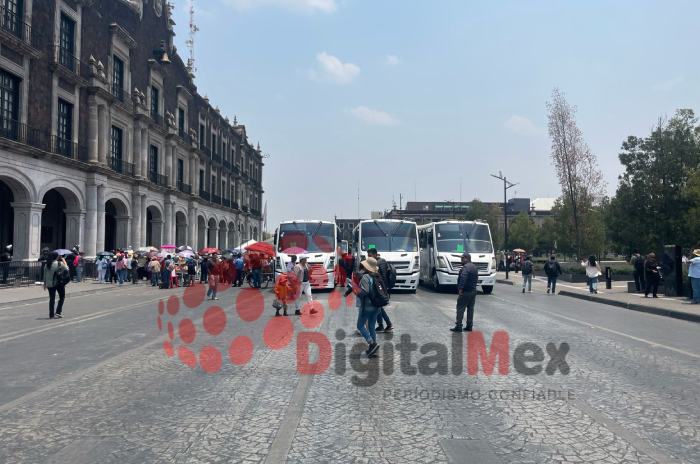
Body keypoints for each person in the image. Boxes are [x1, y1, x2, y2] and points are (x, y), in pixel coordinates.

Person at [354, 257, 381, 357]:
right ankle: (372, 349)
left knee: (360, 325)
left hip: (367, 306)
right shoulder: (377, 276)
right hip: (377, 306)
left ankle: (371, 343)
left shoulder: (366, 277)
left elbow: (364, 292)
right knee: (371, 326)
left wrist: (355, 289)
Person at [367, 248, 393, 333]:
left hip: (380, 289)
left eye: (370, 255)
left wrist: (383, 290)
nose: (369, 257)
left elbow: (384, 277)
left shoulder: (381, 262)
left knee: (378, 307)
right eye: (368, 256)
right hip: (378, 288)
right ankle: (382, 325)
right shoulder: (376, 262)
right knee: (378, 307)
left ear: (375, 254)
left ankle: (387, 324)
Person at [451, 252, 478, 332]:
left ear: (466, 258)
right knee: (470, 309)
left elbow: (463, 277)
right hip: (473, 291)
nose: (461, 260)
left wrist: (460, 288)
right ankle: (469, 325)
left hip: (466, 291)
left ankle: (458, 326)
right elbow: (476, 278)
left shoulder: (466, 267)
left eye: (462, 258)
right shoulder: (474, 267)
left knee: (460, 308)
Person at [43, 252, 68, 319]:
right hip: (58, 283)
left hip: (49, 284)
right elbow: (67, 269)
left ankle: (51, 315)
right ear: (56, 257)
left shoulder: (47, 265)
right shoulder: (59, 263)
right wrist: (64, 260)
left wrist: (44, 284)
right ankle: (58, 312)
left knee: (52, 299)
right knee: (62, 297)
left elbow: (44, 275)